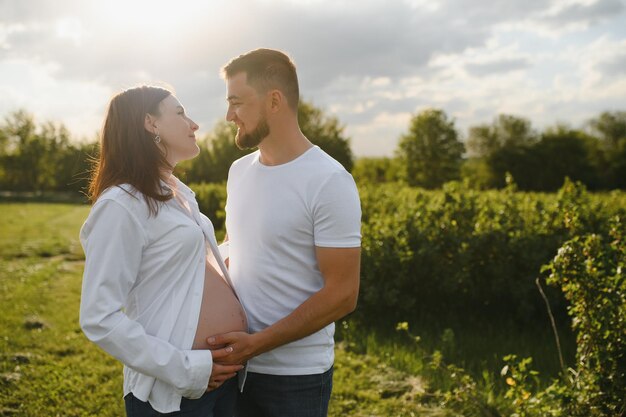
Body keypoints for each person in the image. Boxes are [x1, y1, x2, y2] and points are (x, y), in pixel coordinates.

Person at [207, 49, 362, 417]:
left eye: (237, 102)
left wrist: (257, 344)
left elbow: (343, 294)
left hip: (295, 379)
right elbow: (240, 251)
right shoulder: (239, 172)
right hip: (234, 369)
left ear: (274, 100)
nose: (229, 116)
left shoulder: (329, 181)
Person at [79, 85, 247, 416]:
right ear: (150, 124)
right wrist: (187, 368)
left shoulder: (177, 193)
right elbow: (98, 317)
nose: (194, 124)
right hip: (174, 393)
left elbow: (184, 266)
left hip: (226, 380)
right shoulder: (121, 204)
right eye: (181, 113)